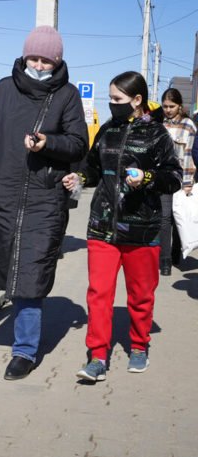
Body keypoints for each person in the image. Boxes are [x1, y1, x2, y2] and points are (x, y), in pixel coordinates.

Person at [0, 26, 88, 380]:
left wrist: (48, 142)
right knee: (8, 268)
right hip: (2, 195)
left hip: (45, 199)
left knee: (30, 273)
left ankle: (25, 351)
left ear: (57, 60)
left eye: (46, 60)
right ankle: (18, 330)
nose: (38, 64)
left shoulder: (67, 95)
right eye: (33, 57)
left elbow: (79, 144)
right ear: (24, 56)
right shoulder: (3, 88)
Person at [64, 71, 182, 382]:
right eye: (111, 98)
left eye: (117, 99)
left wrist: (146, 178)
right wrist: (80, 178)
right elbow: (91, 166)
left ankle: (140, 346)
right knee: (98, 294)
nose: (112, 104)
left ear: (137, 100)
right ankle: (98, 357)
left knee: (141, 296)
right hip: (102, 226)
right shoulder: (107, 129)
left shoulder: (158, 135)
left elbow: (174, 178)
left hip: (143, 229)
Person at [159, 88, 196, 275]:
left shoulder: (188, 125)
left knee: (178, 217)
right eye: (164, 106)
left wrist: (188, 182)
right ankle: (165, 260)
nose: (168, 110)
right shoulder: (160, 125)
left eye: (171, 106)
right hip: (164, 177)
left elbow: (189, 155)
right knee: (164, 218)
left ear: (179, 105)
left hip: (182, 179)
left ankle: (176, 252)